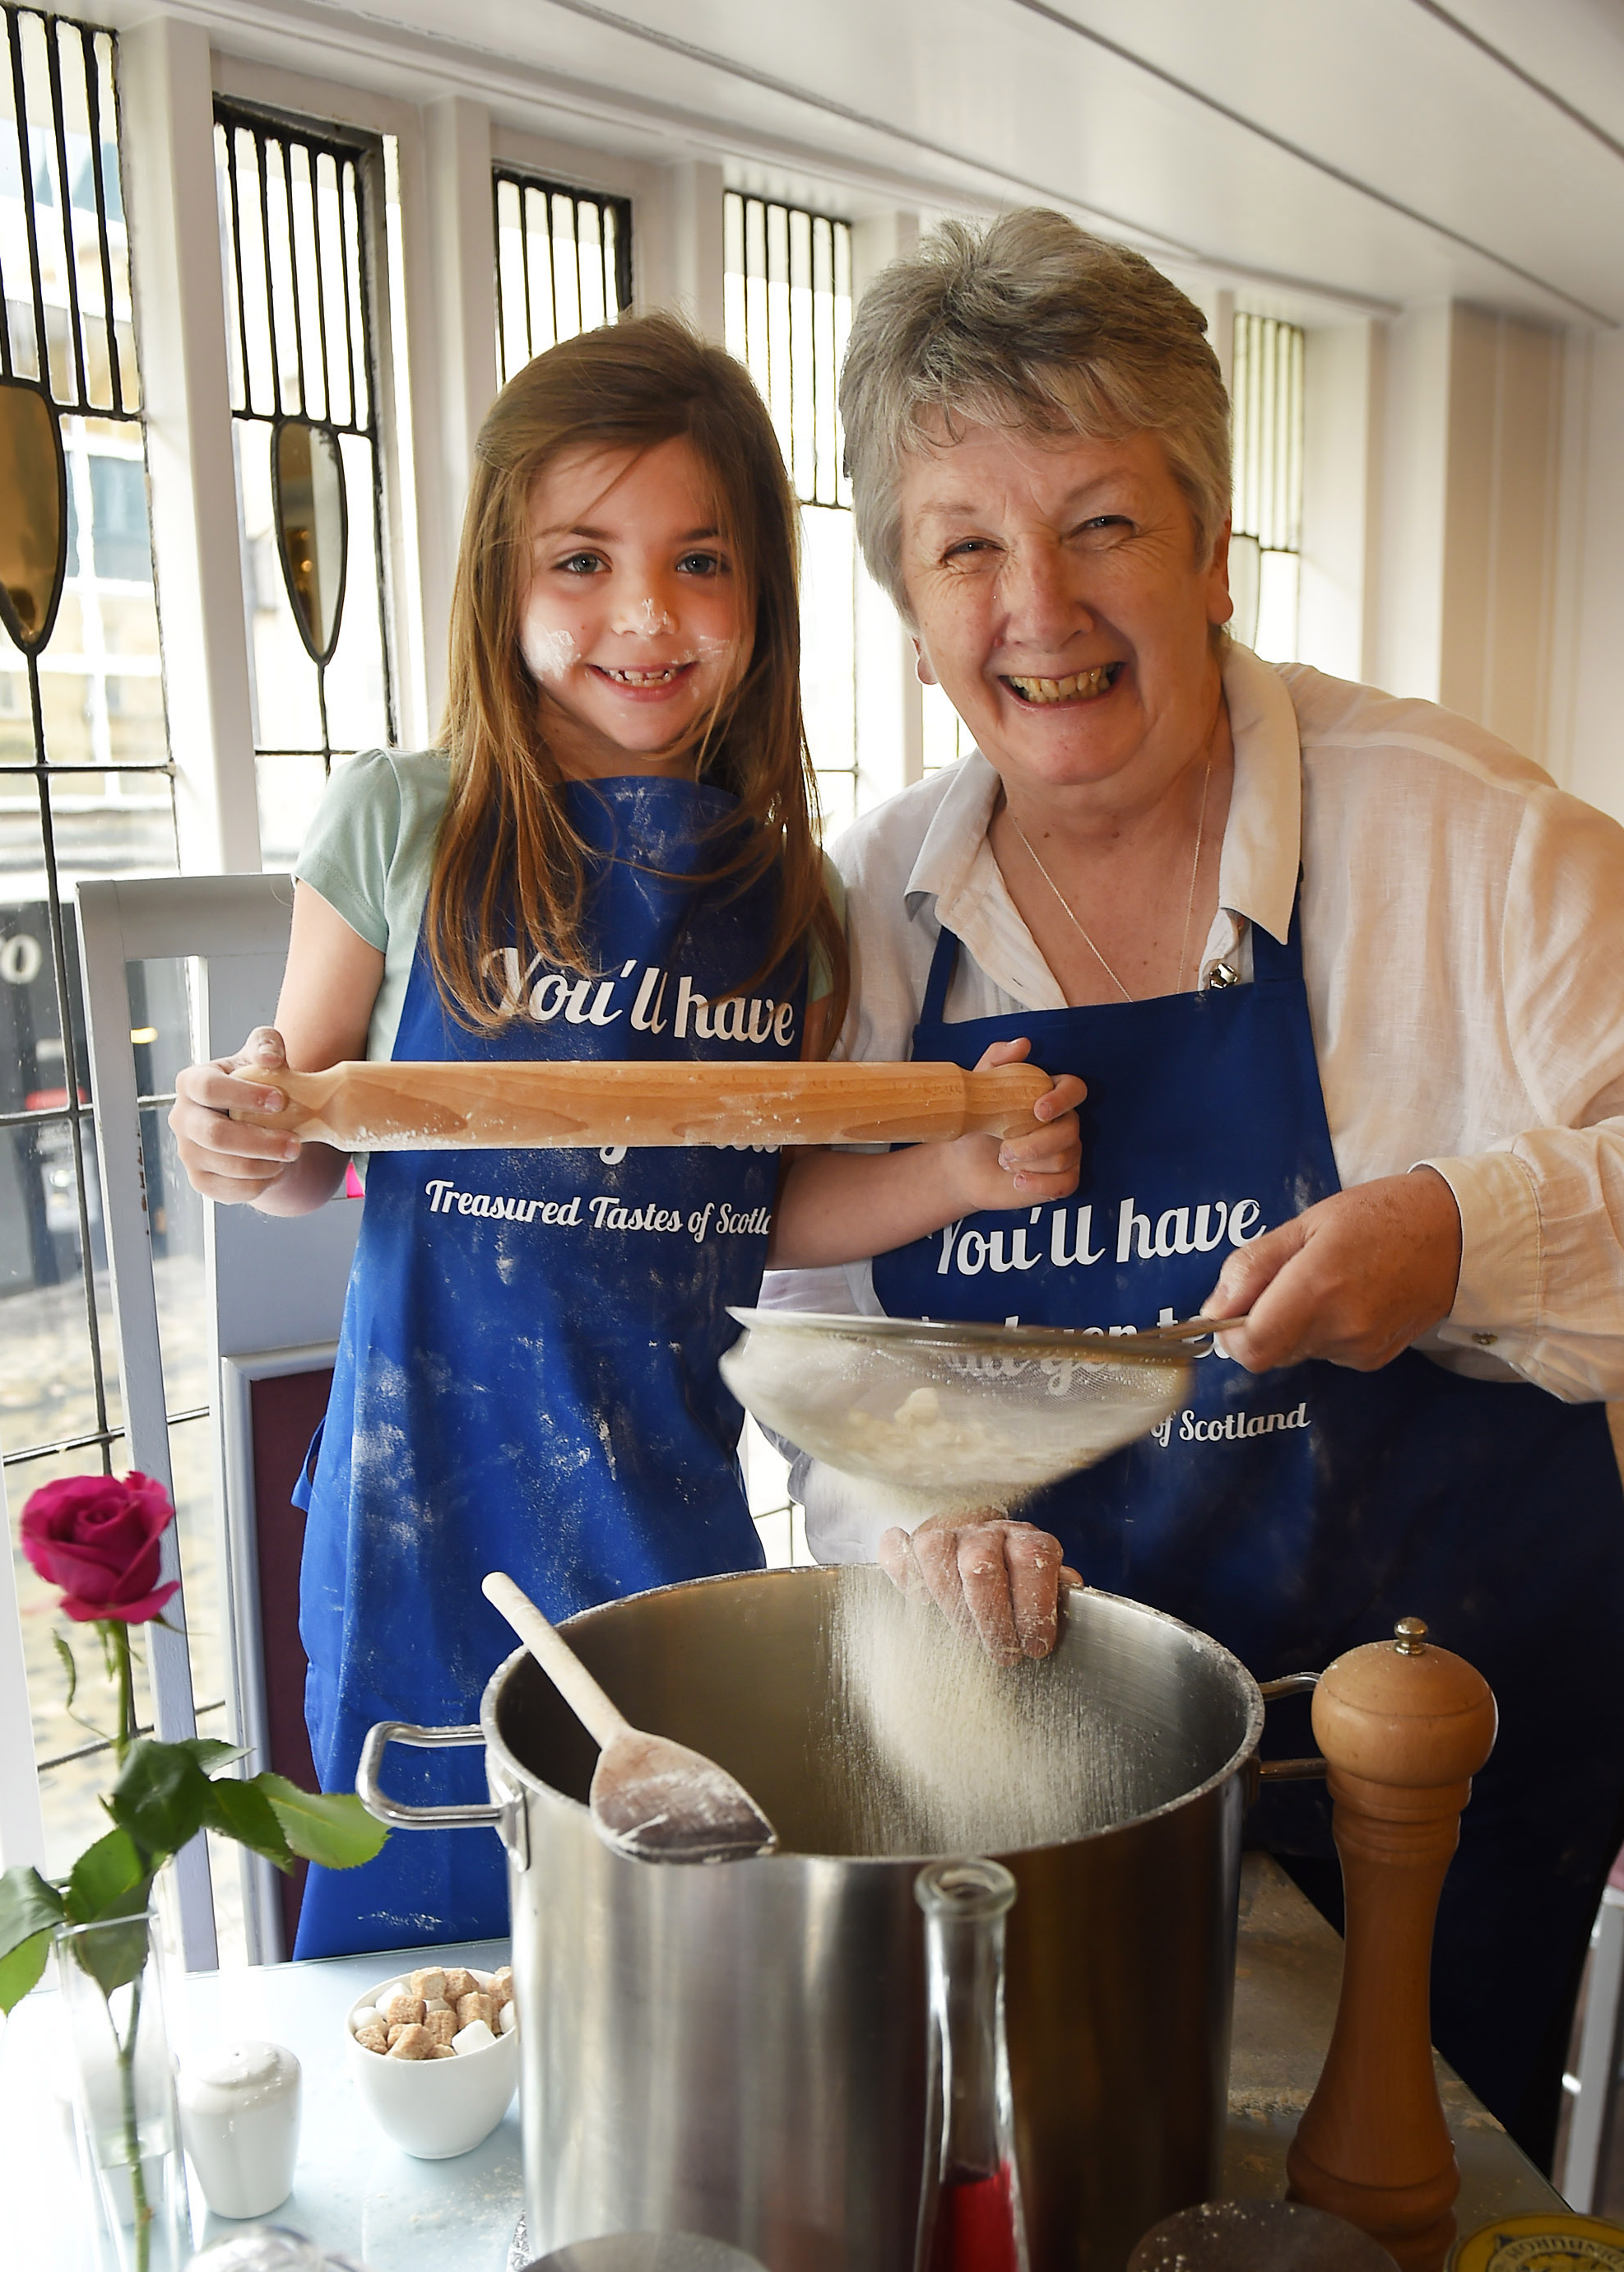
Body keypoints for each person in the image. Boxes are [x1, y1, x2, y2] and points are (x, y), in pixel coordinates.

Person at [762, 210, 1624, 2167]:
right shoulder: (872, 917)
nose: (1037, 605)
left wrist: (1464, 1235)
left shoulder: (1465, 839)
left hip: (1474, 1741)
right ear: (909, 602)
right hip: (1072, 1759)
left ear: (1213, 543)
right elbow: (826, 1359)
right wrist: (918, 1533)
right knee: (1094, 2201)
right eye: (965, 543)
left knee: (1425, 2223)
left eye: (1101, 524)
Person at [171, 315, 1081, 1956]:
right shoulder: (402, 821)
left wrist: (957, 1168)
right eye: (582, 561)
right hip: (415, 1505)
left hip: (663, 1496)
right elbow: (313, 1137)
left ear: (761, 601)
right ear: (501, 583)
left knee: (674, 1922)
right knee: (427, 1912)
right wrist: (248, 1132)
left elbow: (756, 1204)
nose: (644, 616)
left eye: (700, 562)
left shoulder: (782, 904)